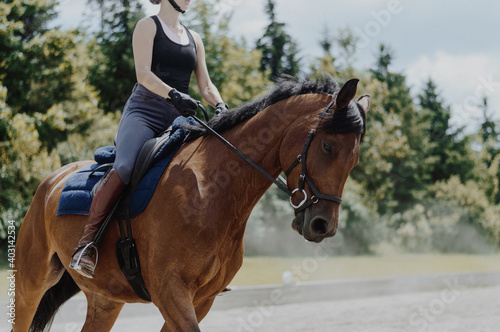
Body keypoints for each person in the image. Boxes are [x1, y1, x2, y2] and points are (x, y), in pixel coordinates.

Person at [69, 0, 228, 278]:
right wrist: (175, 94)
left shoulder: (195, 39)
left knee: (204, 170)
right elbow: (143, 74)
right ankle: (87, 244)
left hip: (181, 115)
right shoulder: (147, 26)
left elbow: (205, 84)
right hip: (145, 111)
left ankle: (208, 254)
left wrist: (220, 104)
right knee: (126, 167)